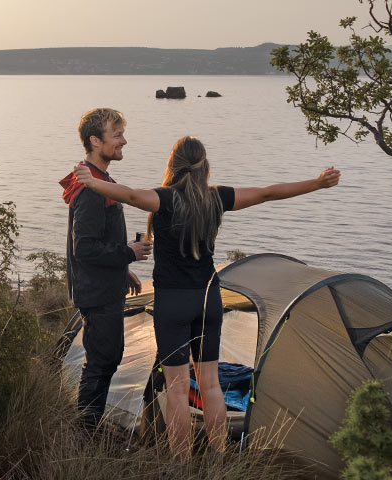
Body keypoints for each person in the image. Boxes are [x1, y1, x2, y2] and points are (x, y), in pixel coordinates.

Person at [73, 136, 340, 459]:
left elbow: (129, 195)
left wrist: (93, 182)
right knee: (211, 385)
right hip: (208, 300)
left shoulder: (164, 199)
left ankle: (181, 464)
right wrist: (317, 183)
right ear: (205, 166)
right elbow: (268, 193)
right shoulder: (217, 198)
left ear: (173, 164)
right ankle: (219, 458)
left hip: (173, 303)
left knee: (177, 389)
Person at [59, 108, 152, 429]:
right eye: (117, 135)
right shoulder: (91, 187)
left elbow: (96, 240)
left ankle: (89, 427)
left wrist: (123, 268)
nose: (124, 141)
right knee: (100, 363)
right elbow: (84, 247)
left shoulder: (97, 179)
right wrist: (128, 252)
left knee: (107, 359)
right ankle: (86, 432)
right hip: (97, 293)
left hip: (103, 286)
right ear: (95, 141)